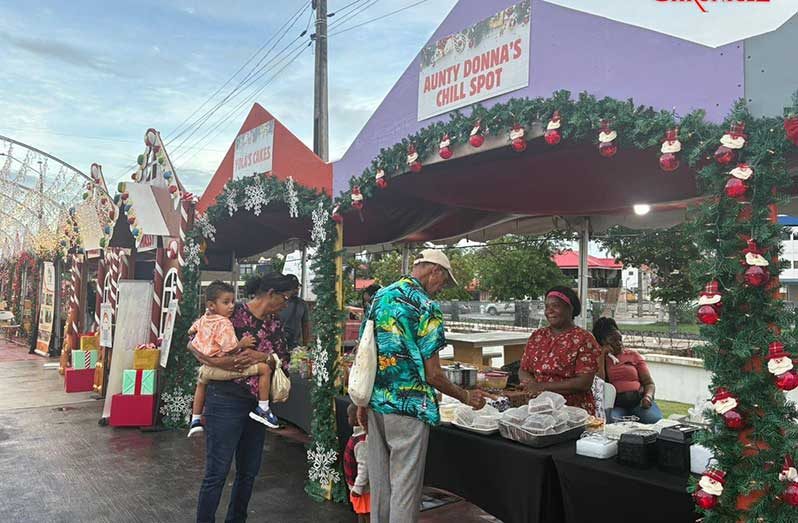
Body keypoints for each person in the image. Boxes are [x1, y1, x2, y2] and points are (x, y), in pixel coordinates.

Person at [358, 249, 489, 523]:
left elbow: (365, 352)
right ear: (435, 271)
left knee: (381, 485)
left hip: (377, 402)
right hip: (409, 406)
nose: (441, 288)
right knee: (405, 488)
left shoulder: (381, 296)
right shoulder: (426, 306)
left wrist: (362, 402)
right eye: (443, 282)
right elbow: (433, 374)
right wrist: (465, 396)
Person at [191, 273, 295, 523]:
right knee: (217, 471)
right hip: (224, 400)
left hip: (256, 405)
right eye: (285, 297)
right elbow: (194, 342)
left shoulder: (275, 323)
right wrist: (222, 361)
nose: (286, 303)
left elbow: (285, 360)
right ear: (270, 294)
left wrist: (264, 358)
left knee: (248, 472)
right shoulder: (230, 311)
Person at [187, 281, 277, 438]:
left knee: (201, 383)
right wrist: (242, 343)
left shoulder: (205, 318)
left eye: (232, 302)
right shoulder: (225, 323)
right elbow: (229, 348)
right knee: (265, 369)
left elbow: (191, 331)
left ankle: (195, 420)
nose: (231, 306)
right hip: (223, 368)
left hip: (206, 367)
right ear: (211, 305)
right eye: (226, 302)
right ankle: (263, 408)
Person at [519, 286, 601, 414]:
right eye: (547, 306)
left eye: (555, 306)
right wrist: (531, 386)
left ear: (570, 308)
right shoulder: (537, 336)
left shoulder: (584, 339)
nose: (549, 311)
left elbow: (584, 382)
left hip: (572, 412)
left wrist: (541, 387)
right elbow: (524, 369)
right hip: (538, 407)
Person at [593, 317, 662, 424]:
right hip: (616, 405)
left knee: (654, 420)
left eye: (620, 339)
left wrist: (648, 397)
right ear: (603, 342)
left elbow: (649, 383)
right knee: (613, 424)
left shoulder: (633, 355)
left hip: (638, 402)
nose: (619, 343)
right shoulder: (599, 359)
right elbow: (599, 383)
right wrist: (602, 355)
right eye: (613, 340)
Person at [345, 403, 370, 523]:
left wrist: (358, 488)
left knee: (366, 514)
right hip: (357, 488)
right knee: (360, 513)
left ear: (356, 419)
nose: (347, 419)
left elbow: (364, 467)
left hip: (363, 490)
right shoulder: (356, 437)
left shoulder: (362, 442)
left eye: (348, 416)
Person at [278, 274, 310, 348]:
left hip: (295, 345)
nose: (297, 290)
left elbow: (305, 325)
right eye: (294, 288)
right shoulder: (278, 303)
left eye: (297, 287)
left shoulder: (302, 304)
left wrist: (306, 345)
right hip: (279, 344)